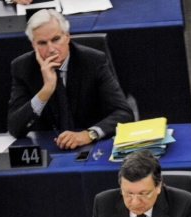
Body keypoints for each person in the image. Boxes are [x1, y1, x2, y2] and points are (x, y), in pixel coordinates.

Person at [7, 9, 133, 149]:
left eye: (56, 39)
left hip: (91, 146)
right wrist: (46, 90)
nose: (51, 49)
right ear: (33, 45)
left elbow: (124, 114)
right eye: (42, 43)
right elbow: (15, 128)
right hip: (48, 148)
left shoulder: (93, 61)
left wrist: (88, 134)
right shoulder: (23, 68)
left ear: (67, 37)